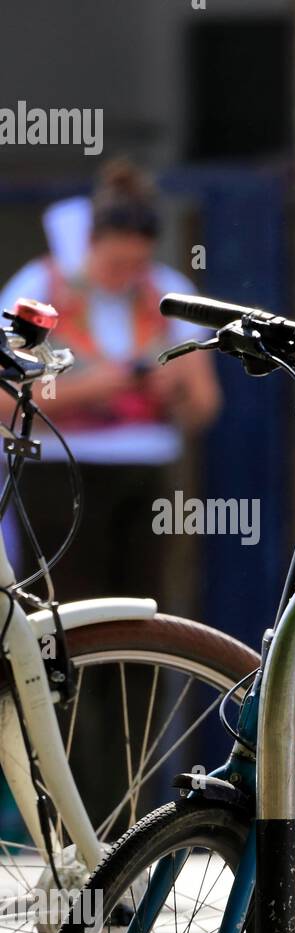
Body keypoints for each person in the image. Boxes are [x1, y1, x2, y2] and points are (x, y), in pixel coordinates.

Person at [0, 159, 219, 607]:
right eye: (115, 263)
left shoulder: (165, 292)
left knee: (143, 605)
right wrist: (93, 388)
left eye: (136, 264)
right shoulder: (40, 288)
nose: (125, 276)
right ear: (91, 245)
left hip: (143, 474)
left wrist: (170, 389)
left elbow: (204, 405)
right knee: (61, 606)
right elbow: (6, 403)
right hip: (59, 474)